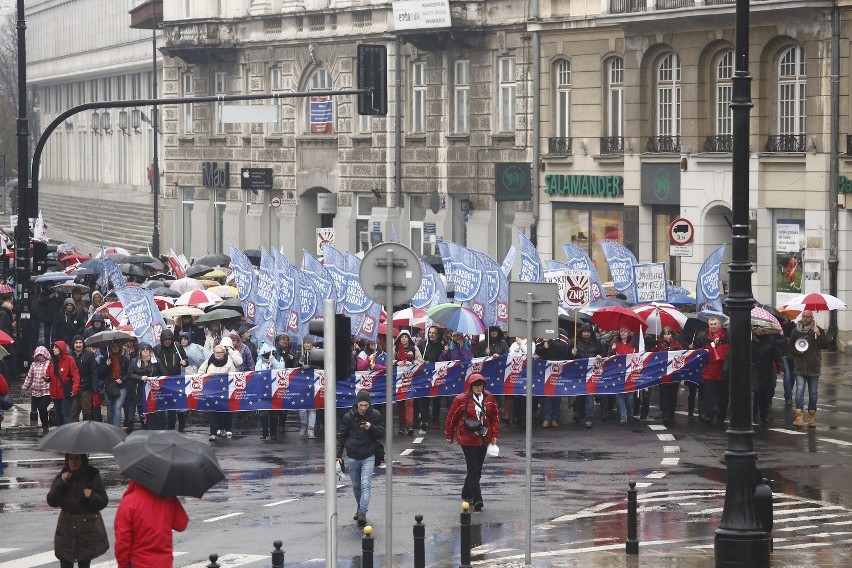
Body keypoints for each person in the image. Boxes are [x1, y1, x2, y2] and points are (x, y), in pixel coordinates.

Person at [445, 373, 499, 512]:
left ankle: (466, 493)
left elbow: (494, 417)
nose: (478, 387)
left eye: (481, 384)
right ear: (470, 386)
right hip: (467, 438)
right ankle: (477, 499)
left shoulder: (490, 398)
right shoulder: (461, 399)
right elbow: (451, 417)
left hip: (483, 438)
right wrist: (449, 434)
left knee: (477, 470)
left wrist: (494, 435)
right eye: (476, 384)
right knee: (474, 468)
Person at [46, 453, 110, 568]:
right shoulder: (63, 475)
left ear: (83, 460)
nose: (73, 462)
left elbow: (103, 501)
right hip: (66, 527)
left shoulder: (92, 475)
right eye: (70, 459)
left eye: (76, 458)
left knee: (84, 563)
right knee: (65, 562)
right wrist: (61, 482)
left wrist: (92, 495)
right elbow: (52, 501)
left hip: (86, 528)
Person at [336, 390, 385, 528]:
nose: (363, 408)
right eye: (361, 405)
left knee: (365, 484)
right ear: (357, 404)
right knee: (356, 486)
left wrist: (371, 428)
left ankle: (363, 512)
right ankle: (359, 507)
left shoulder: (375, 415)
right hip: (353, 455)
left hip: (369, 454)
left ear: (369, 404)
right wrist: (338, 455)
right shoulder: (349, 417)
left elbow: (381, 433)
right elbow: (341, 436)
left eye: (366, 405)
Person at [113, 479, 189, 568]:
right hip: (164, 563)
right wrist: (172, 498)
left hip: (138, 563)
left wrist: (123, 565)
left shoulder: (128, 502)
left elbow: (122, 540)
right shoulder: (167, 498)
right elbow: (181, 525)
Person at [788, 310, 828, 428]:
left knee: (813, 392)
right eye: (804, 316)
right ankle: (799, 416)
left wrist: (819, 335)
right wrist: (798, 352)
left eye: (808, 316)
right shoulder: (795, 331)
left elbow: (825, 345)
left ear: (812, 317)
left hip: (813, 367)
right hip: (800, 366)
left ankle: (811, 417)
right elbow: (790, 346)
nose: (805, 318)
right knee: (800, 390)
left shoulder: (817, 330)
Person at [694, 316, 730, 426]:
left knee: (723, 396)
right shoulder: (702, 337)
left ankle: (721, 416)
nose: (713, 326)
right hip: (708, 371)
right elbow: (697, 353)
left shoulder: (727, 337)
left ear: (720, 325)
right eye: (711, 324)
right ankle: (707, 415)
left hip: (723, 371)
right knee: (707, 394)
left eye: (715, 324)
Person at [199, 342, 238, 441]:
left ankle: (225, 429)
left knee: (225, 411)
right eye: (216, 352)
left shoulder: (229, 363)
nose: (218, 354)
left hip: (224, 392)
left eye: (220, 353)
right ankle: (212, 433)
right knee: (213, 413)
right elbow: (200, 372)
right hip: (211, 392)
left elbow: (233, 376)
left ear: (224, 353)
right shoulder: (208, 361)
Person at [533, 329, 571, 428]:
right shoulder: (540, 332)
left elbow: (563, 348)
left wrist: (550, 341)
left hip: (558, 368)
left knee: (556, 394)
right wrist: (544, 348)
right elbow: (537, 350)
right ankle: (546, 418)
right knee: (546, 394)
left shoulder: (562, 332)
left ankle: (555, 418)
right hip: (544, 368)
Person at [154, 330, 189, 432]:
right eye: (165, 340)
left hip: (176, 379)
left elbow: (186, 358)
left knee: (175, 403)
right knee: (166, 403)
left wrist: (185, 362)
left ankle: (179, 422)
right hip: (163, 380)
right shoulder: (157, 349)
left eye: (169, 339)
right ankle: (169, 427)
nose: (167, 342)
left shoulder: (177, 347)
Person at [126, 343, 164, 431]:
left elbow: (163, 373)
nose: (146, 351)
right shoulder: (134, 361)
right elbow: (129, 374)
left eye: (148, 349)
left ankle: (152, 430)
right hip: (140, 390)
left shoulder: (156, 361)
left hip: (153, 391)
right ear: (140, 351)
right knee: (142, 412)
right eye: (144, 349)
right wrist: (140, 378)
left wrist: (156, 379)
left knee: (152, 412)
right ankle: (144, 428)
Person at [652, 326, 684, 426]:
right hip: (663, 375)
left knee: (673, 395)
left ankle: (671, 415)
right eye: (665, 334)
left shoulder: (677, 345)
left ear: (672, 335)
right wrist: (655, 347)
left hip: (674, 375)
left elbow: (682, 355)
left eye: (669, 334)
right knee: (664, 395)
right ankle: (665, 414)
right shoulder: (659, 345)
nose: (667, 336)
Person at [394, 329, 423, 435]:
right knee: (400, 403)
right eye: (402, 337)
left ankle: (409, 425)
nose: (404, 339)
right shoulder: (395, 348)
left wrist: (411, 362)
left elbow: (420, 361)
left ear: (409, 338)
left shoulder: (414, 349)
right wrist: (397, 362)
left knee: (409, 402)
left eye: (406, 337)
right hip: (398, 380)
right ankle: (402, 425)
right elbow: (388, 360)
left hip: (411, 380)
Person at [751, 328, 783, 426]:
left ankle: (764, 415)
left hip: (766, 370)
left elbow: (777, 355)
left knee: (765, 395)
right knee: (755, 394)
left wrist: (780, 368)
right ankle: (755, 415)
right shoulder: (750, 339)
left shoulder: (770, 340)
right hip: (753, 371)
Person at [418, 325, 445, 430]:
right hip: (424, 375)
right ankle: (425, 420)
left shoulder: (441, 346)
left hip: (436, 375)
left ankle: (435, 420)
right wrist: (422, 361)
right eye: (430, 333)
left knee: (436, 399)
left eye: (434, 333)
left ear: (437, 335)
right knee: (424, 398)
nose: (431, 334)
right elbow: (417, 357)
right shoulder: (422, 344)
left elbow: (443, 360)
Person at [48, 341, 81, 427]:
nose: (53, 349)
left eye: (56, 347)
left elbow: (75, 376)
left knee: (66, 414)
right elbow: (48, 373)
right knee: (58, 416)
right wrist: (47, 378)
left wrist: (75, 390)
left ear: (61, 348)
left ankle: (69, 436)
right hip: (55, 394)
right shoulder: (52, 362)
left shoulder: (69, 360)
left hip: (65, 393)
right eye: (53, 347)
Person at [609, 328, 638, 425]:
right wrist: (612, 350)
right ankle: (623, 417)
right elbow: (609, 358)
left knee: (629, 397)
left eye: (625, 331)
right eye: (621, 331)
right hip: (619, 374)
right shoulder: (615, 345)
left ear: (629, 333)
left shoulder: (633, 346)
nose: (623, 333)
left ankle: (630, 413)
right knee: (620, 396)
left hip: (630, 375)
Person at [256, 343, 285, 440]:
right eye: (266, 354)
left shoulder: (279, 358)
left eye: (270, 353)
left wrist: (273, 361)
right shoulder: (260, 361)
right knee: (263, 412)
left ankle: (273, 433)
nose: (268, 356)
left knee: (274, 413)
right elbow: (257, 372)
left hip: (275, 389)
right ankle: (264, 432)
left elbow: (281, 369)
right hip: (263, 389)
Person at [22, 345, 53, 436]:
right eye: (38, 355)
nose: (40, 357)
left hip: (46, 391)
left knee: (43, 407)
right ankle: (44, 426)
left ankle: (46, 426)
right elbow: (29, 377)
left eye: (42, 355)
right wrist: (25, 387)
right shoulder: (33, 365)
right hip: (36, 392)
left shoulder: (49, 364)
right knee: (40, 409)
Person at [100, 341, 130, 428]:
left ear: (120, 347)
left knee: (117, 408)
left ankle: (116, 428)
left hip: (121, 386)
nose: (115, 348)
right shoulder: (105, 359)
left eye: (117, 346)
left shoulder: (124, 359)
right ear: (110, 347)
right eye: (113, 346)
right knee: (110, 409)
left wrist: (122, 379)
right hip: (109, 386)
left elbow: (129, 372)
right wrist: (106, 365)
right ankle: (110, 428)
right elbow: (100, 373)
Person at [69, 335, 98, 422]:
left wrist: (94, 387)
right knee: (74, 411)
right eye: (76, 343)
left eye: (80, 343)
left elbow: (94, 372)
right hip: (73, 387)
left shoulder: (89, 355)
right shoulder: (70, 355)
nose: (78, 345)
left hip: (86, 387)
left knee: (87, 411)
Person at [298, 335, 318, 439]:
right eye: (305, 342)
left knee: (312, 408)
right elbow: (294, 366)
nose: (306, 344)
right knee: (301, 408)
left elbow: (320, 366)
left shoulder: (316, 354)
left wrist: (310, 366)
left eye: (308, 342)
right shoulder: (299, 353)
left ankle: (311, 429)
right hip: (301, 383)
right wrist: (299, 362)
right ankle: (304, 425)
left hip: (313, 383)